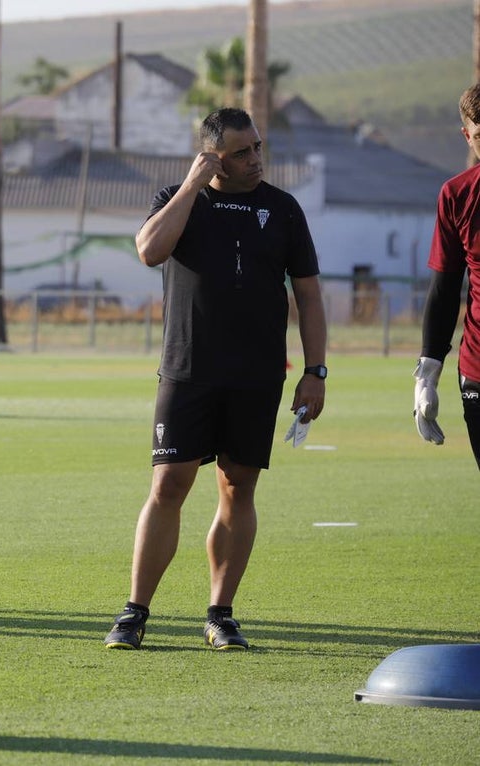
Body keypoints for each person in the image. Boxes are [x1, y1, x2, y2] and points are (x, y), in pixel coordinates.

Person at [101, 107, 328, 650]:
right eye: (241, 152)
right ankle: (134, 613)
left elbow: (310, 296)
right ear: (212, 157)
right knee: (168, 484)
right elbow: (149, 250)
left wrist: (315, 371)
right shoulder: (176, 201)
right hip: (187, 370)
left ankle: (220, 614)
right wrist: (191, 185)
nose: (256, 159)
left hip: (257, 375)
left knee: (237, 487)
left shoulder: (284, 208)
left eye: (257, 147)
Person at [413, 83, 480, 470]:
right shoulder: (457, 194)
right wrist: (427, 375)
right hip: (477, 370)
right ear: (466, 136)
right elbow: (444, 288)